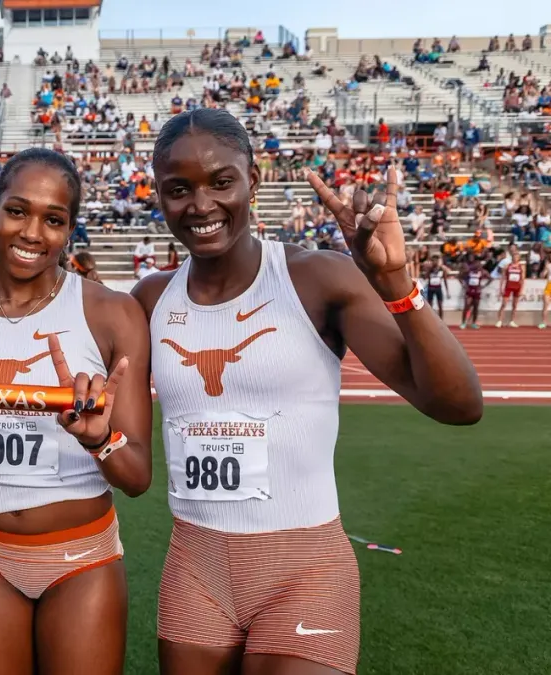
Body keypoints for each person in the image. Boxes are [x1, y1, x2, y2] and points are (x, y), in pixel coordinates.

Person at [134, 108, 482, 675]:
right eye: (179, 190)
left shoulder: (317, 278)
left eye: (222, 181)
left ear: (256, 178)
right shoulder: (150, 299)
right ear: (159, 195)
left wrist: (396, 286)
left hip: (305, 566)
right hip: (194, 565)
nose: (201, 206)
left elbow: (459, 405)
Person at [0, 148, 153, 674]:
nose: (32, 232)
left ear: (70, 230)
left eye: (54, 219)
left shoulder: (111, 313)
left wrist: (97, 440)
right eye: (17, 211)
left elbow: (137, 477)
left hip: (80, 559)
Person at [494, 243, 524, 327]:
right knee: (504, 304)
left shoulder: (521, 266)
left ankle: (512, 320)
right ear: (512, 258)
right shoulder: (507, 266)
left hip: (517, 287)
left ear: (519, 258)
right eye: (514, 257)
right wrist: (501, 288)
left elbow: (522, 279)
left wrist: (521, 289)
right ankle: (499, 320)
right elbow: (503, 277)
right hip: (508, 286)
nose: (515, 258)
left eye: (517, 257)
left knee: (514, 305)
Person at [460, 256, 489, 329]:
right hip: (469, 291)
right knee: (466, 306)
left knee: (476, 307)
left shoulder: (482, 272)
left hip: (477, 291)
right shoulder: (469, 271)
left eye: (479, 264)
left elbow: (491, 278)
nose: (477, 266)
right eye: (476, 264)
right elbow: (459, 276)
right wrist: (464, 285)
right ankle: (463, 322)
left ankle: (473, 323)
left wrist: (484, 286)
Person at [422, 252, 452, 318]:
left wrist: (447, 292)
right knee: (430, 305)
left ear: (438, 261)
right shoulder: (430, 269)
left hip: (438, 288)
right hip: (431, 288)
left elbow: (445, 281)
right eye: (433, 260)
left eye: (436, 260)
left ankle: (441, 320)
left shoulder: (441, 269)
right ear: (432, 261)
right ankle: (430, 319)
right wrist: (428, 270)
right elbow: (425, 278)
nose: (435, 262)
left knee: (440, 305)